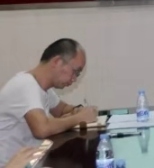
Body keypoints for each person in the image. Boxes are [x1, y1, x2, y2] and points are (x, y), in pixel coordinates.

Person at [0, 39, 98, 167]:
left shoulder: (42, 88)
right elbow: (42, 129)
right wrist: (80, 118)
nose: (74, 79)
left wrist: (77, 111)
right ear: (57, 62)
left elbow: (62, 110)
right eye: (75, 72)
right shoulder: (25, 85)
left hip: (34, 161)